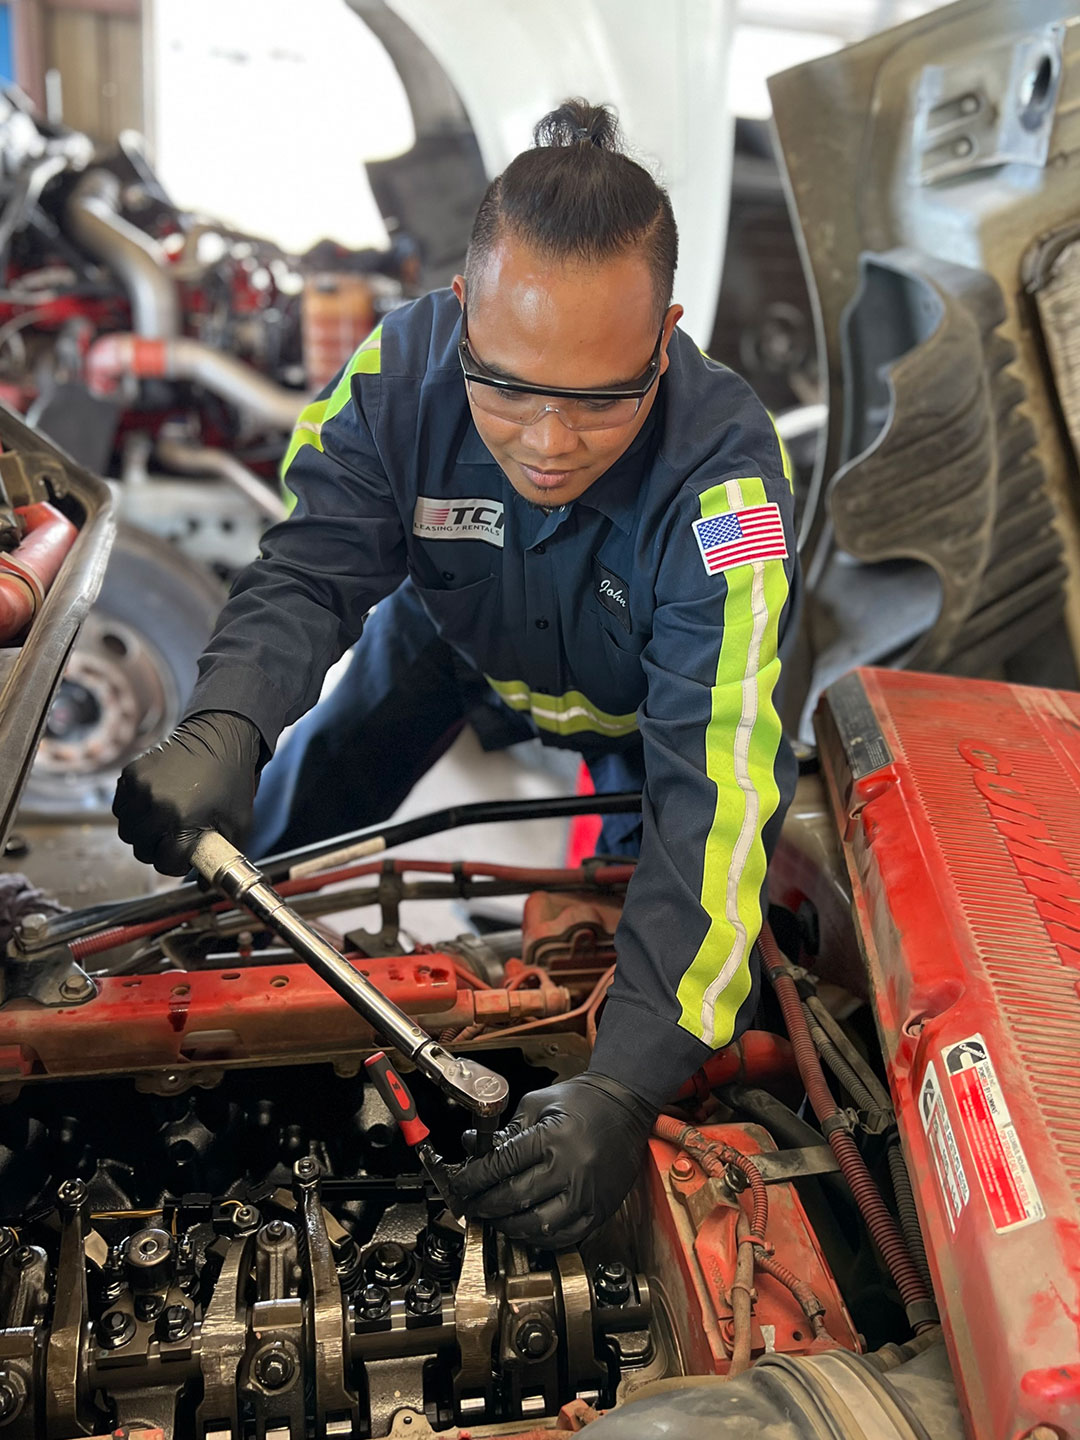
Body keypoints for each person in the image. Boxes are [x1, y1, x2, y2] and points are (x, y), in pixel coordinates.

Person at [113, 99, 798, 1250]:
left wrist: (627, 1084)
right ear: (460, 312)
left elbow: (712, 793)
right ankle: (203, 957)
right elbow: (308, 572)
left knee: (653, 922)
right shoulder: (398, 373)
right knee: (296, 803)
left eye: (598, 398)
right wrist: (222, 723)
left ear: (666, 338)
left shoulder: (726, 491)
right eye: (507, 386)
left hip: (646, 716)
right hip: (449, 647)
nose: (545, 441)